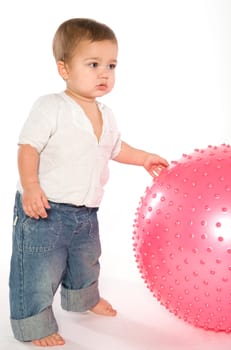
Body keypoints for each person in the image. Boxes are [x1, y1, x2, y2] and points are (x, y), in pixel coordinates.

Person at [9, 18, 169, 347]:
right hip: (45, 209)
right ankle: (33, 324)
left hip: (86, 212)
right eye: (93, 64)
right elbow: (28, 147)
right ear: (64, 69)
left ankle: (83, 299)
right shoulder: (51, 106)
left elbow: (114, 148)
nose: (104, 74)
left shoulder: (106, 114)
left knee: (86, 259)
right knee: (38, 268)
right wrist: (31, 186)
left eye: (111, 65)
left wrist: (143, 158)